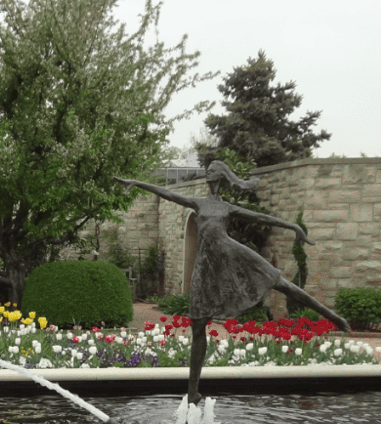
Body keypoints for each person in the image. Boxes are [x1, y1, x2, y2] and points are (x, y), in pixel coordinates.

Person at [116, 161, 350, 403]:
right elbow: (168, 193)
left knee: (279, 283)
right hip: (206, 267)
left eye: (212, 170)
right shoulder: (199, 203)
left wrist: (292, 226)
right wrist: (137, 183)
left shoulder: (226, 208)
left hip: (233, 256)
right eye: (207, 169)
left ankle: (332, 317)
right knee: (198, 325)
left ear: (221, 177)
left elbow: (260, 216)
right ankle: (193, 391)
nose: (207, 173)